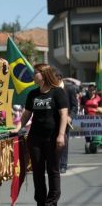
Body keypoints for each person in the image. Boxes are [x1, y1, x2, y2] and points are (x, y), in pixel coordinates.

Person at [11, 63, 68, 206]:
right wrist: (17, 128)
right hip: (35, 138)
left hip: (53, 138)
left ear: (43, 74)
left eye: (35, 72)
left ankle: (51, 202)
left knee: (53, 170)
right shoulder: (33, 94)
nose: (33, 75)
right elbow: (26, 115)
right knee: (37, 171)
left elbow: (63, 115)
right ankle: (41, 202)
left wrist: (61, 135)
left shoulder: (58, 92)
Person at [57, 76, 78, 174]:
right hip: (53, 120)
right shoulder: (51, 88)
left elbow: (74, 106)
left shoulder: (69, 88)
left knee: (64, 142)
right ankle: (55, 163)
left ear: (59, 77)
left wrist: (70, 116)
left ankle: (63, 165)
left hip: (66, 120)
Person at [80, 84, 102, 151]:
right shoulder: (84, 98)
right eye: (90, 90)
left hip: (97, 117)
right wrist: (80, 115)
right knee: (87, 132)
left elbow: (100, 108)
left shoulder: (99, 98)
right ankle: (88, 142)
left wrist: (98, 110)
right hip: (87, 117)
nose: (91, 91)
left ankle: (97, 142)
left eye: (93, 90)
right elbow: (81, 108)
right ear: (88, 90)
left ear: (95, 90)